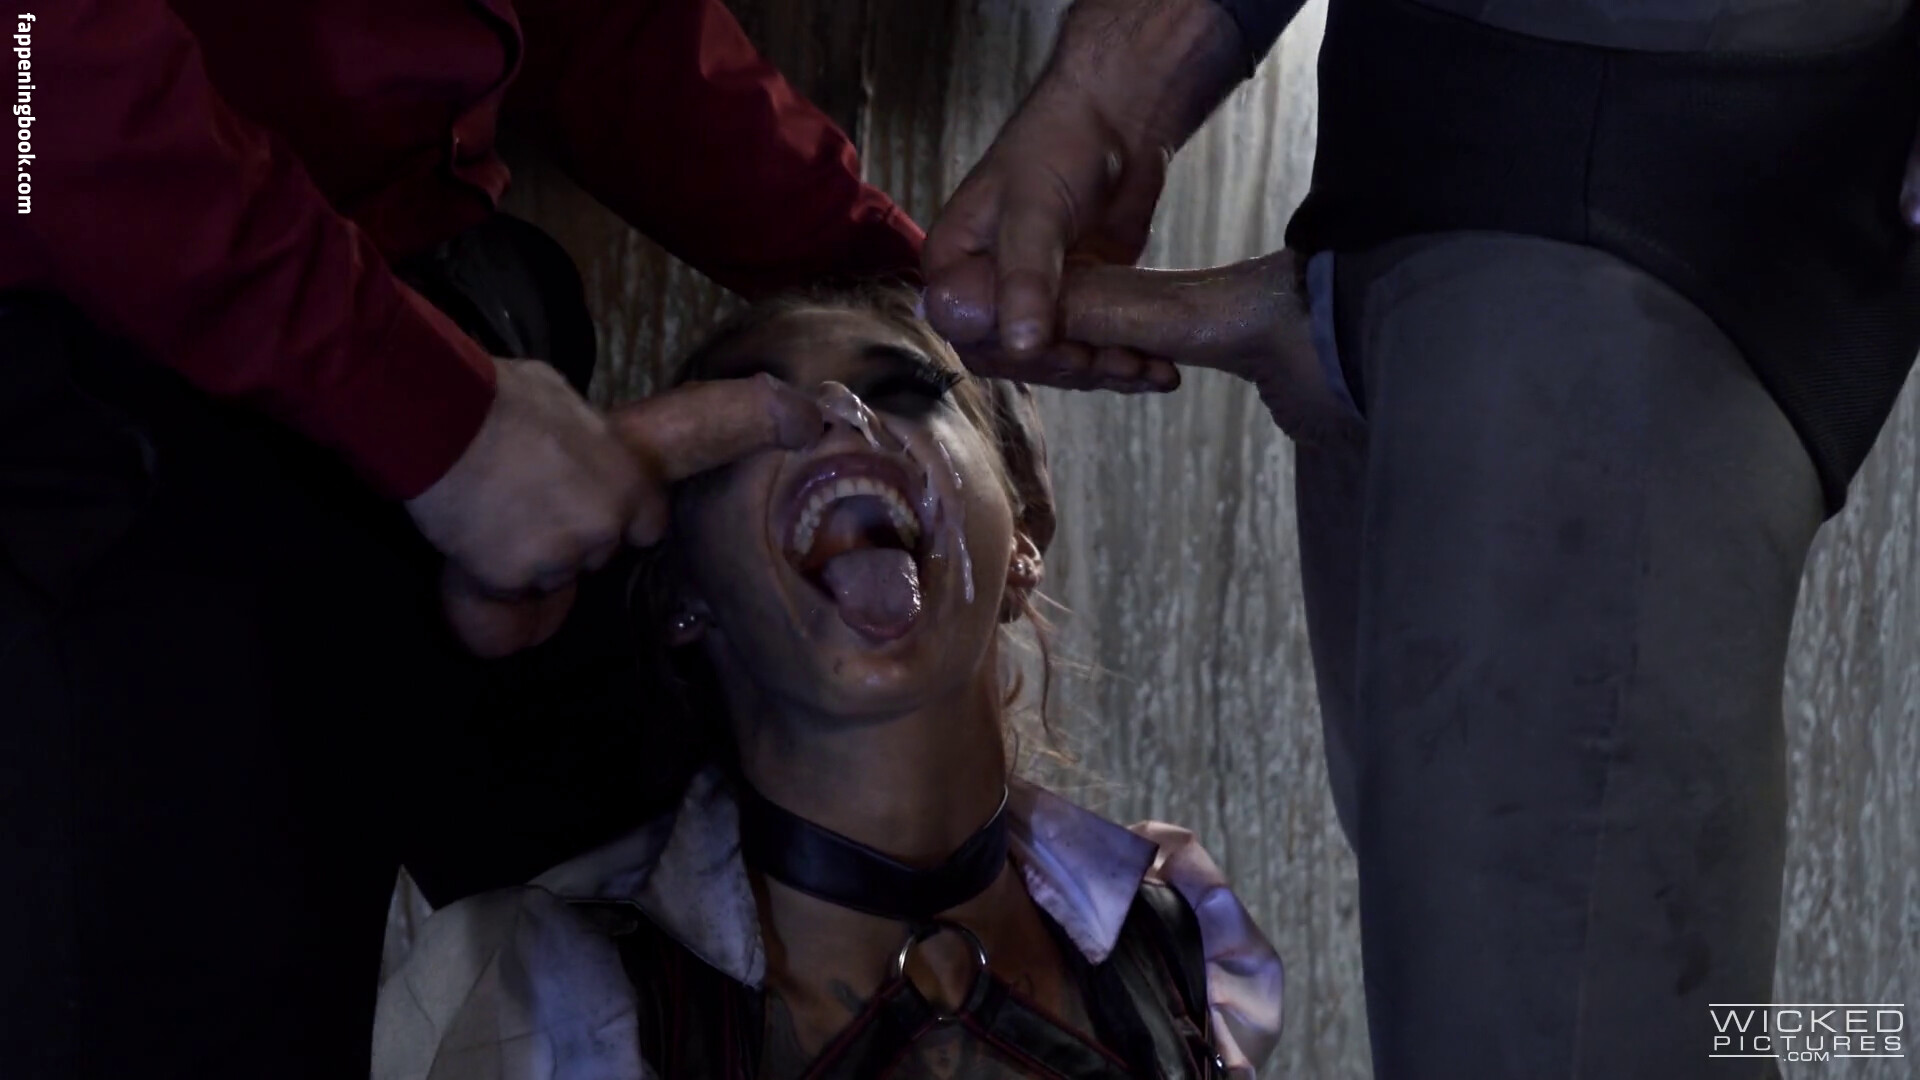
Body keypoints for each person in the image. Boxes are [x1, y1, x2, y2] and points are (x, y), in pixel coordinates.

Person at [921, 0, 1920, 1077]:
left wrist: (1126, 78)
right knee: (1501, 982)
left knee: (1551, 1019)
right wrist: (1119, 80)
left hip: (1637, 168)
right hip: (1419, 155)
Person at [4, 3, 928, 1077]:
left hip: (429, 346)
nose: (854, 429)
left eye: (909, 398)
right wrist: (432, 414)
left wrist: (908, 286)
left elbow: (603, 30)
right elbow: (35, 80)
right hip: (103, 391)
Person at [369, 283, 1285, 1079]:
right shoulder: (548, 993)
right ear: (682, 593)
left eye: (907, 390)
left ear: (1021, 538)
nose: (839, 410)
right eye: (750, 411)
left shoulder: (1178, 951)